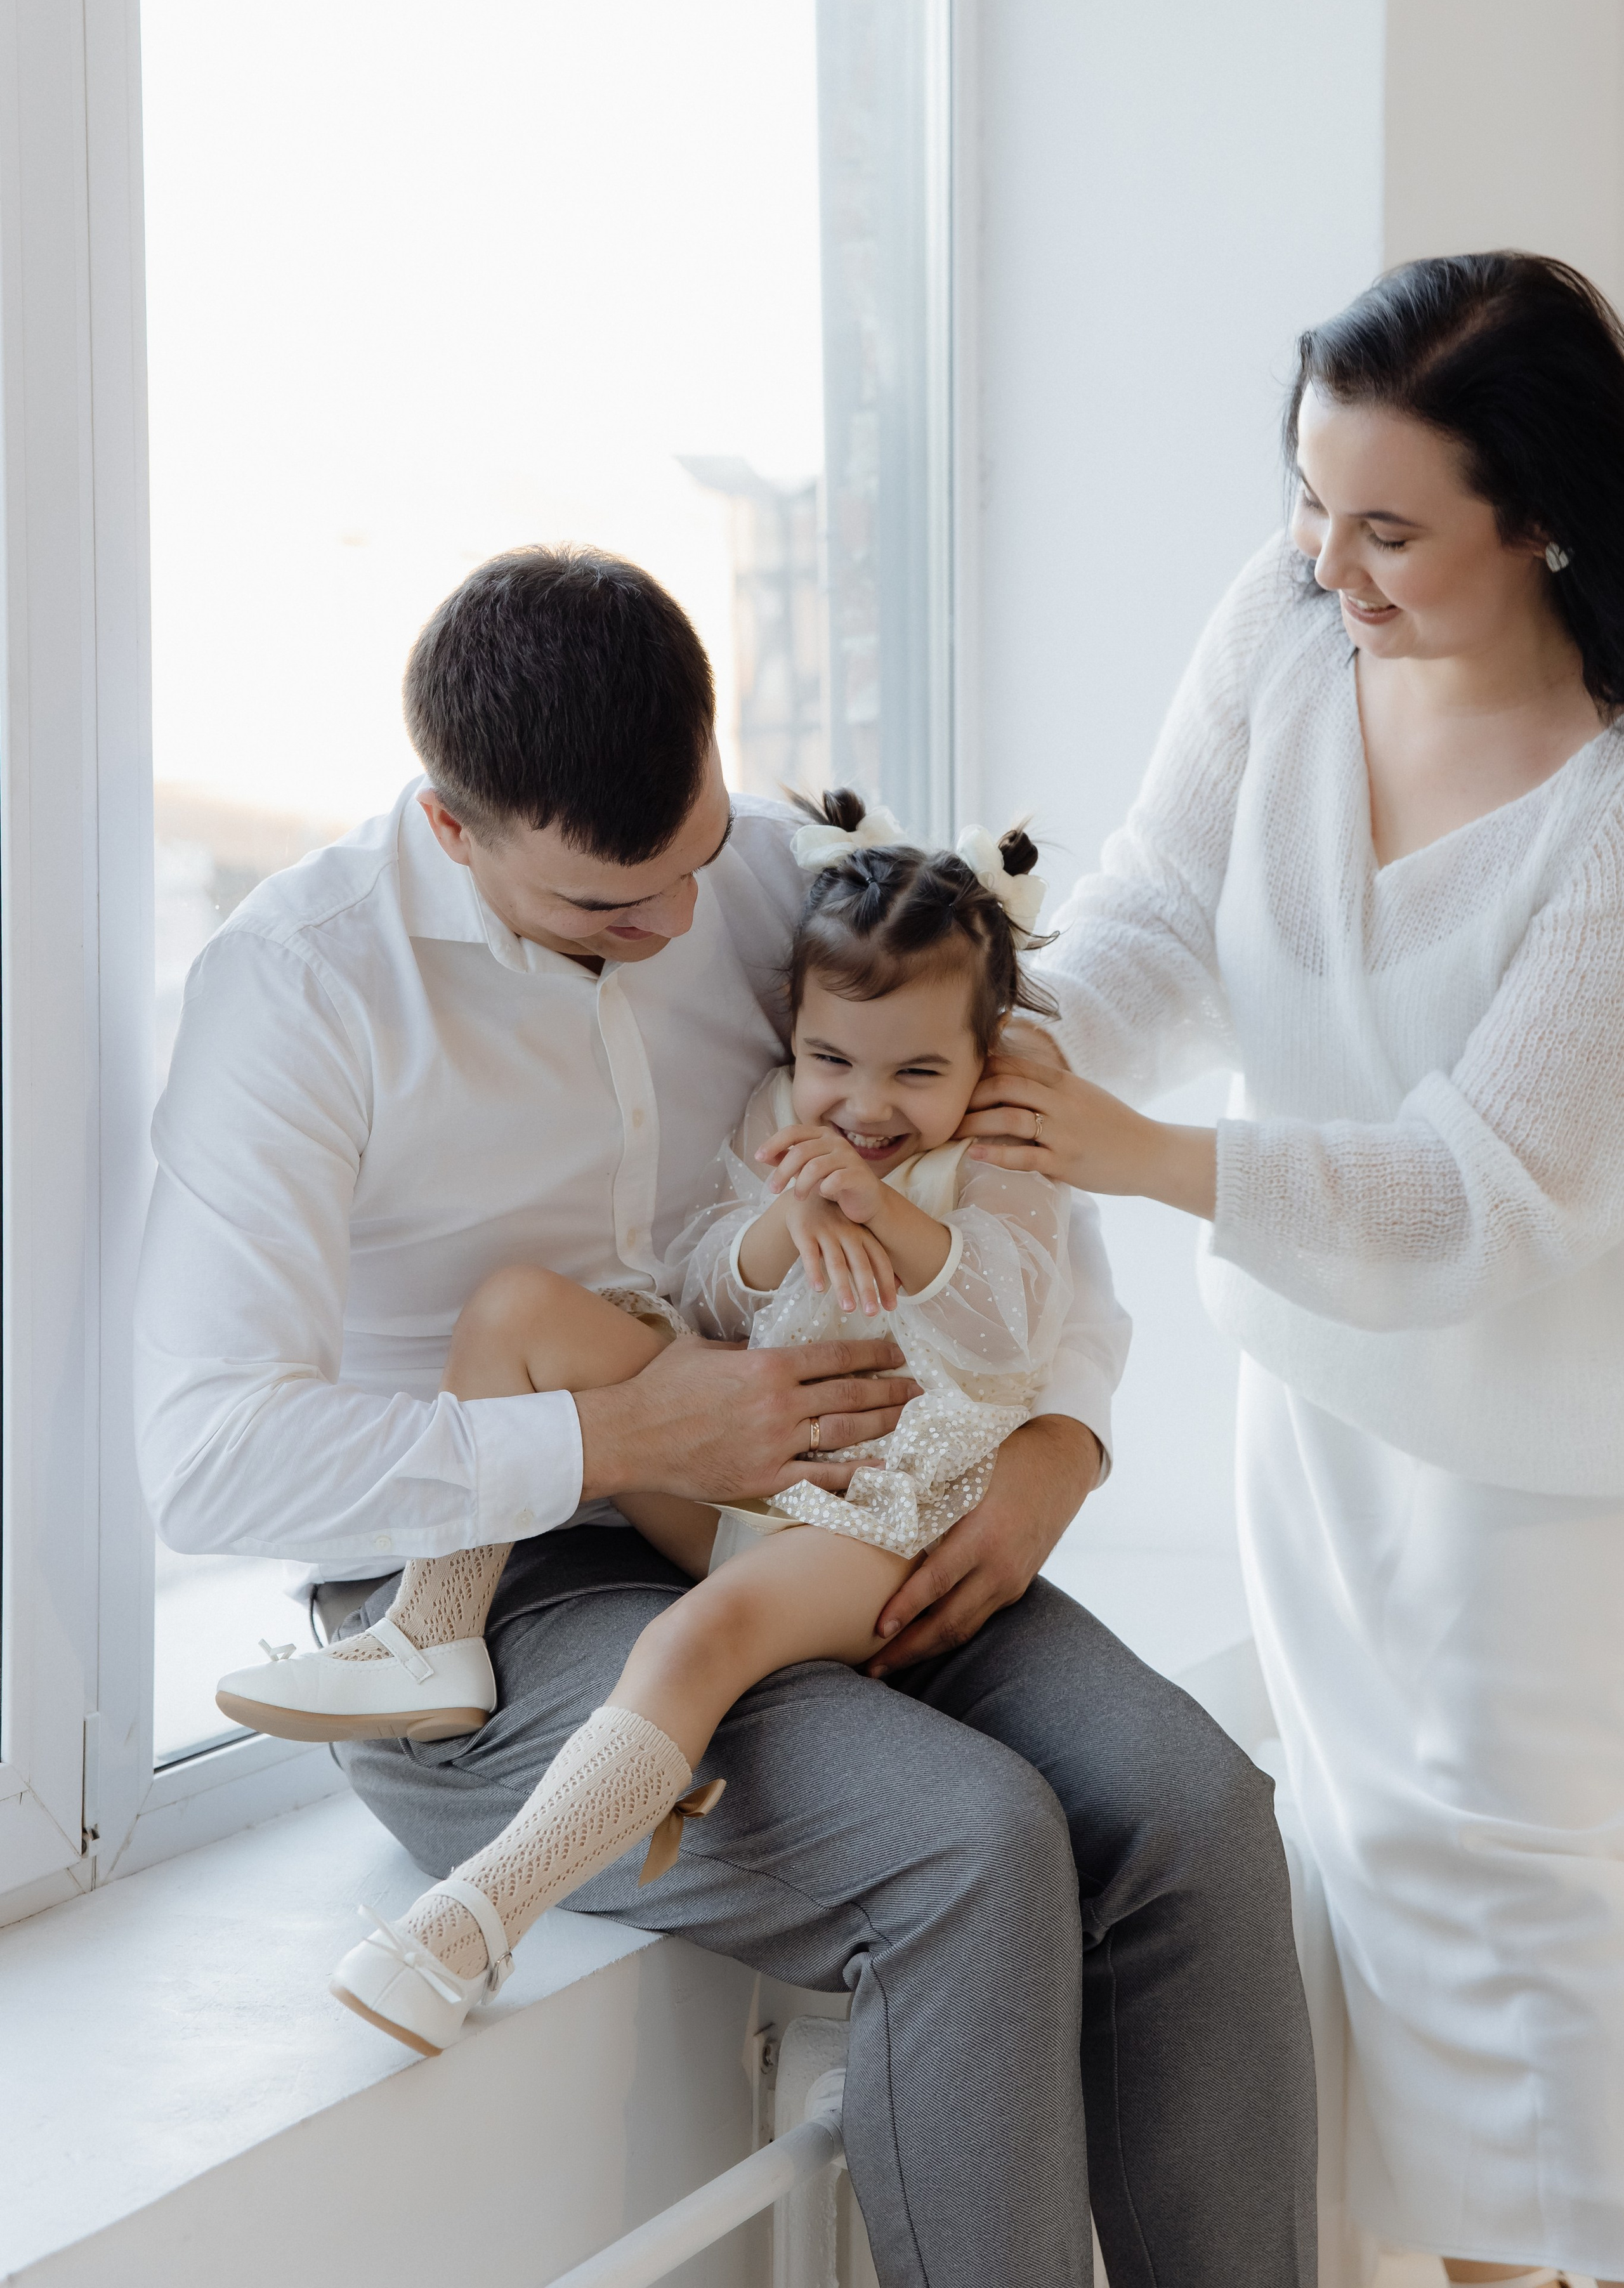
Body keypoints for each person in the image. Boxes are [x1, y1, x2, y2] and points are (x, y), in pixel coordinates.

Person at [136, 545, 1316, 2288]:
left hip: (864, 1491)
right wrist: (625, 1442)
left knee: (1193, 1806)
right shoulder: (298, 988)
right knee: (970, 1847)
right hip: (485, 1597)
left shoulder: (778, 880)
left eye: (694, 860)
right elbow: (206, 1453)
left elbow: (1005, 1149)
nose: (683, 926)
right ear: (456, 834)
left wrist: (1062, 1440)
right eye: (612, 911)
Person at [962, 252, 1624, 2288]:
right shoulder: (1286, 615)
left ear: (1547, 517)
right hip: (1312, 1415)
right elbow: (1162, 916)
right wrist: (990, 1049)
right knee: (1354, 1921)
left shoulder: (1606, 803)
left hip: (1532, 1477)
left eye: (1391, 527)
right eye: (1310, 498)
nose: (1327, 558)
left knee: (1517, 1960)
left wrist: (1145, 1159)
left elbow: (1472, 1197)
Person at [284, 795, 1075, 2054]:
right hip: (733, 1457)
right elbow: (704, 1284)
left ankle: (479, 1921)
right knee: (517, 1309)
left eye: (916, 1073)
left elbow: (1008, 1336)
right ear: (797, 1036)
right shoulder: (780, 1116)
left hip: (868, 1514)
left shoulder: (994, 1159)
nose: (865, 1104)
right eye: (834, 1060)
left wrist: (885, 1214)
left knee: (692, 1640)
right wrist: (779, 1226)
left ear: (983, 1062)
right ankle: (432, 1632)